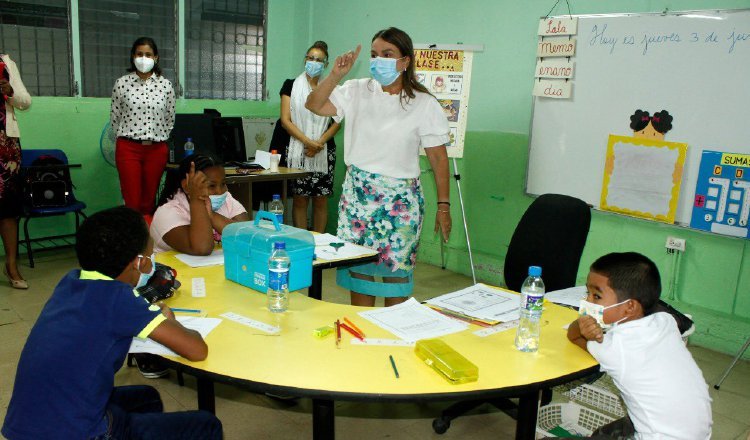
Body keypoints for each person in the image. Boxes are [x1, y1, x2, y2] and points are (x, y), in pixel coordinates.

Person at [1, 206, 222, 439]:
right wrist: (169, 320)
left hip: (28, 425)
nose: (150, 265)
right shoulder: (119, 299)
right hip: (76, 433)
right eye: (148, 259)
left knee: (146, 397)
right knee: (206, 425)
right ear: (135, 263)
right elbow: (197, 350)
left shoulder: (70, 282)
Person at [306, 27, 452, 307]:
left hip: (400, 204)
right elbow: (314, 104)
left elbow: (438, 159)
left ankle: (392, 333)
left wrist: (444, 206)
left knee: (395, 277)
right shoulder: (357, 90)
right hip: (358, 199)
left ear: (405, 60)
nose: (378, 60)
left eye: (388, 54)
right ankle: (363, 334)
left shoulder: (424, 103)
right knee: (359, 269)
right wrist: (336, 74)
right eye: (374, 55)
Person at [566, 252, 712, 439]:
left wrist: (581, 324)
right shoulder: (665, 320)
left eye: (596, 296)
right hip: (695, 433)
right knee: (602, 434)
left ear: (629, 307)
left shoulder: (615, 347)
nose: (587, 301)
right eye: (588, 293)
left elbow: (574, 337)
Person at [277, 41, 341, 232]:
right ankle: (302, 239)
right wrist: (308, 142)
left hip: (324, 149)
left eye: (319, 60)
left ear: (326, 64)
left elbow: (338, 121)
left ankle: (320, 242)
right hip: (298, 149)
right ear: (305, 59)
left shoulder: (331, 88)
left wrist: (319, 143)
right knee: (300, 199)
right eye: (311, 58)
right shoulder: (290, 86)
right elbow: (285, 120)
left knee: (320, 200)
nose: (314, 62)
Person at [110, 36, 176, 217]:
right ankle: (133, 243)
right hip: (128, 148)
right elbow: (115, 118)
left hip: (156, 149)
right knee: (132, 201)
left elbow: (169, 119)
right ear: (133, 56)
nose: (144, 58)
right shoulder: (121, 83)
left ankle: (148, 241)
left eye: (148, 54)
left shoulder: (166, 86)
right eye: (140, 54)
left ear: (156, 58)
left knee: (149, 201)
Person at [151, 154, 249, 255]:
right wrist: (196, 200)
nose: (219, 191)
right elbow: (202, 248)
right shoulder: (167, 212)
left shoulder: (226, 198)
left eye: (223, 184)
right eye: (211, 185)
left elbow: (248, 237)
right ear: (187, 186)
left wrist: (211, 215)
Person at [0, 52, 31, 289]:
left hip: (6, 146)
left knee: (9, 208)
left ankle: (11, 265)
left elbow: (25, 102)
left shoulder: (7, 63)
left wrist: (10, 91)